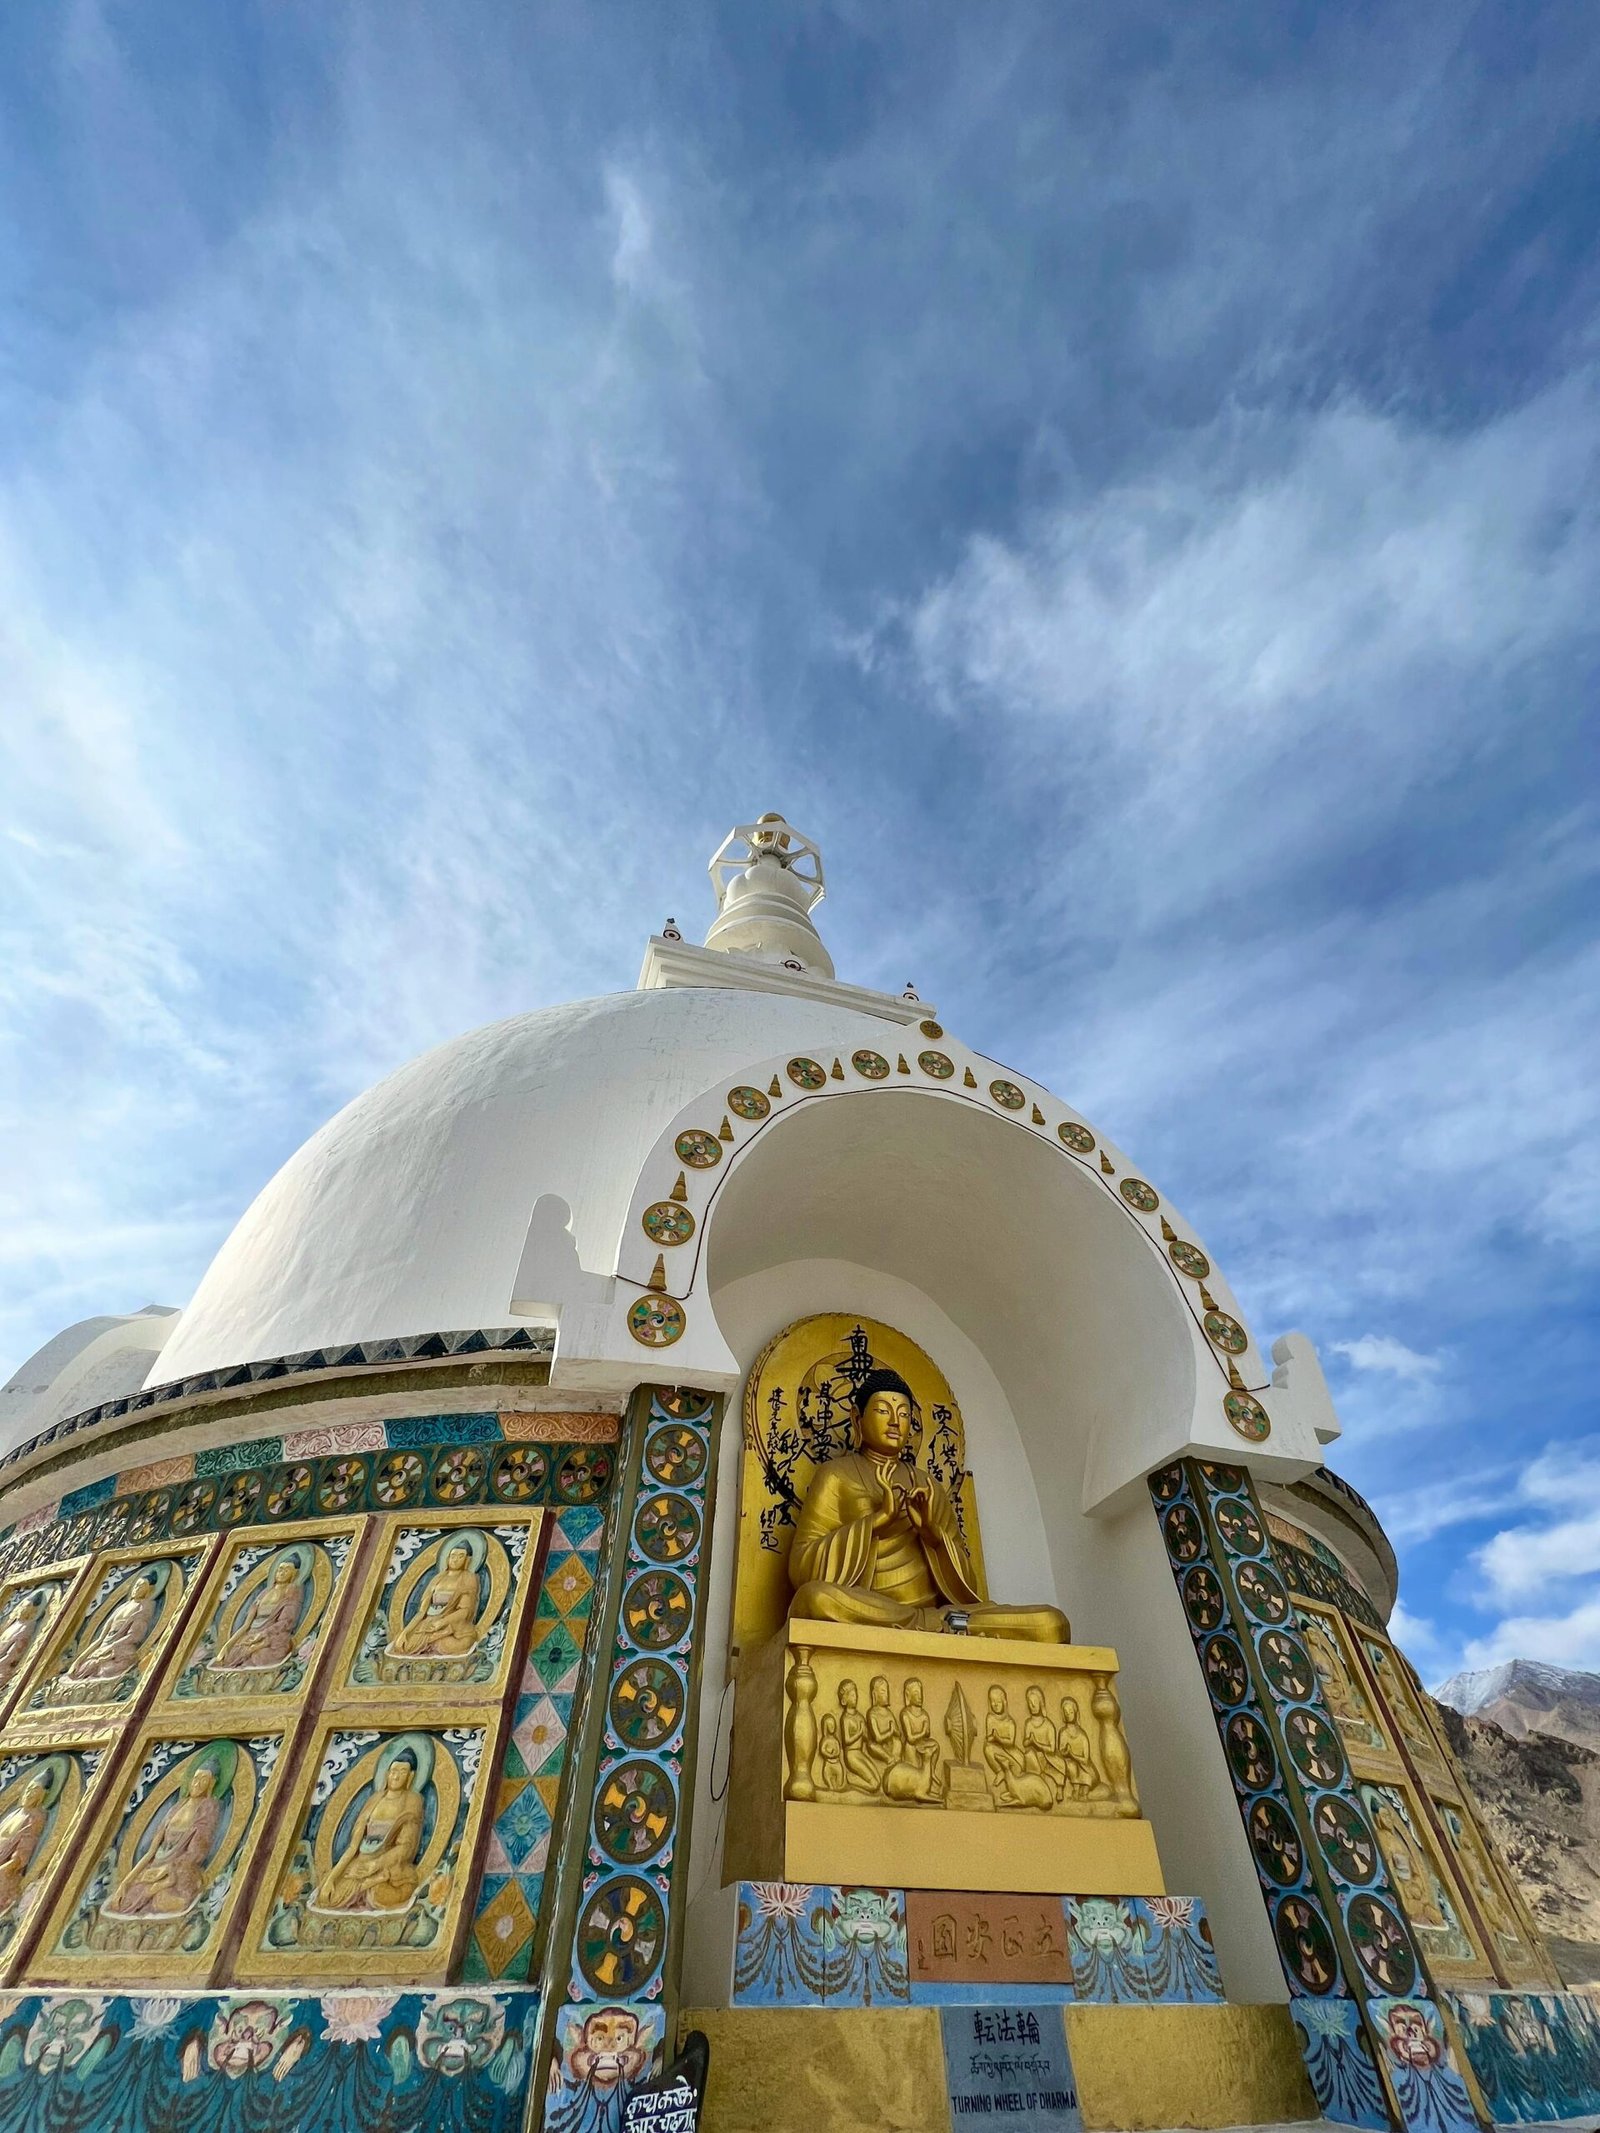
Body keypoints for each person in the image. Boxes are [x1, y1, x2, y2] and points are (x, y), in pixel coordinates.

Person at [788, 1371, 1068, 1641]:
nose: (895, 1421)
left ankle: (938, 1626)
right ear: (857, 1419)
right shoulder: (836, 1475)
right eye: (884, 1410)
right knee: (815, 1600)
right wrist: (877, 1521)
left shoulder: (928, 1484)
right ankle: (929, 1628)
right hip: (874, 1609)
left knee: (1052, 1623)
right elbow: (802, 1568)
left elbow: (970, 1587)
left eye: (904, 1413)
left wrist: (933, 1536)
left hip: (940, 1614)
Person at [108, 1763, 220, 1918]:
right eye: (195, 1779)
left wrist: (165, 1871)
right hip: (156, 1866)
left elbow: (196, 1852)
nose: (197, 1784)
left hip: (181, 1869)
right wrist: (125, 1883)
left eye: (203, 1780)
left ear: (212, 1783)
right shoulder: (175, 1808)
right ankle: (154, 1888)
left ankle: (158, 1888)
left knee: (165, 1901)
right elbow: (151, 1852)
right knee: (124, 1902)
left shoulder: (208, 1807)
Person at [319, 1755, 427, 1913]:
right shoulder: (374, 1800)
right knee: (330, 1896)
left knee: (379, 1895)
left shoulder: (412, 1801)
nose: (396, 1776)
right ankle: (365, 1884)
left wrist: (375, 1865)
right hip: (360, 1862)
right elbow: (353, 1847)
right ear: (386, 1774)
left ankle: (372, 1882)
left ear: (410, 1776)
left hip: (391, 1868)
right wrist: (331, 1878)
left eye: (402, 1772)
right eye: (393, 1771)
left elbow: (406, 1848)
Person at [389, 1543, 482, 1657]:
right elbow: (422, 1612)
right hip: (429, 1624)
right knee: (403, 1645)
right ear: (447, 1558)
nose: (455, 1560)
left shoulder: (468, 1578)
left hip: (454, 1626)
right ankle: (432, 1640)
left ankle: (437, 1639)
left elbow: (464, 1612)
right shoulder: (437, 1579)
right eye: (453, 1556)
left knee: (460, 1644)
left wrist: (441, 1622)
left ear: (468, 1559)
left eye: (460, 1556)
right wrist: (405, 1632)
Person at [214, 1556, 306, 1670]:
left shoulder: (292, 1591)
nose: (282, 1573)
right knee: (233, 1654)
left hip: (273, 1637)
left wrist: (262, 1635)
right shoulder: (264, 1593)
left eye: (287, 1570)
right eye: (280, 1569)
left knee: (261, 1656)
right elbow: (247, 1624)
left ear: (294, 1573)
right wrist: (227, 1646)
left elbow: (286, 1623)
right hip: (252, 1635)